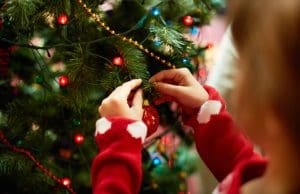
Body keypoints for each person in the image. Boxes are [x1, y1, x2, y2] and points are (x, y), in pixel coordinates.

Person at [91, 0, 300, 193]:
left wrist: (118, 145)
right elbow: (245, 170)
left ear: (273, 110)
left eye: (243, 66)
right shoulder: (279, 176)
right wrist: (206, 112)